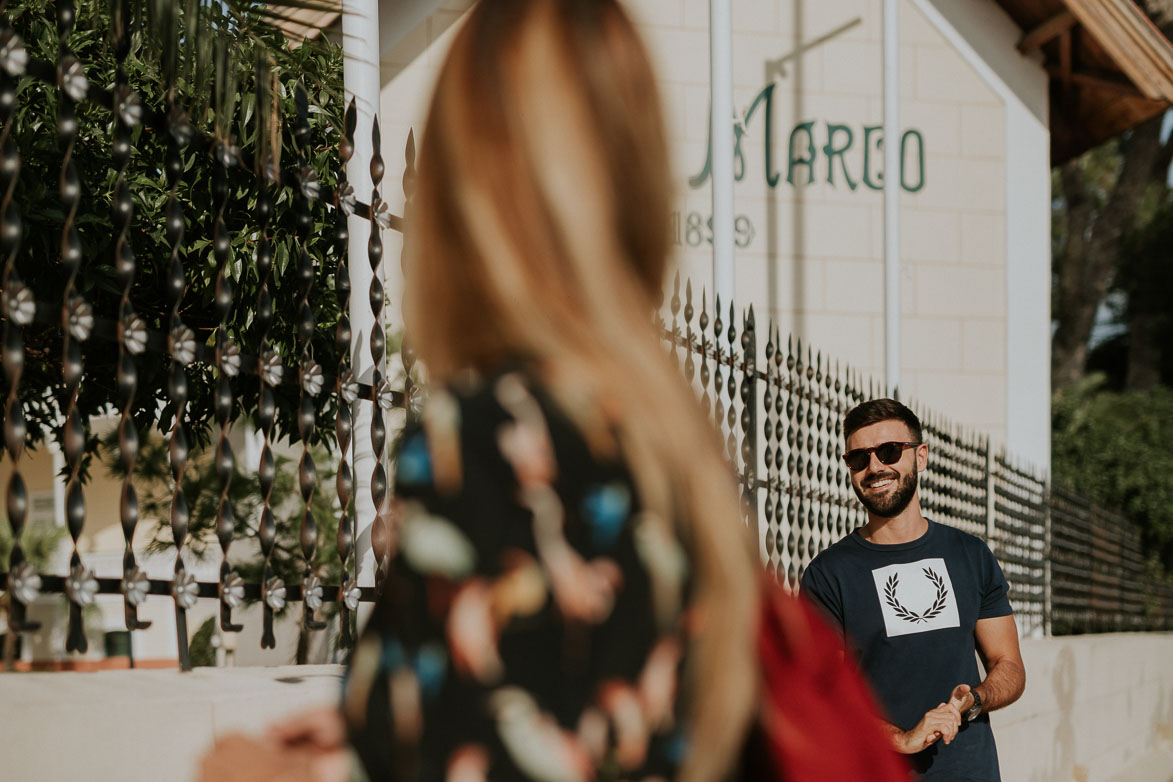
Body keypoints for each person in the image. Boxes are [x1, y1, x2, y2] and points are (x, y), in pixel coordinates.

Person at [202, 1, 758, 780]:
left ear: (470, 184)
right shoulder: (673, 442)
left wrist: (245, 770)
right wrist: (381, 728)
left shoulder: (499, 431)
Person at [800, 398, 1027, 781]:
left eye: (889, 452)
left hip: (971, 771)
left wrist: (972, 701)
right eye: (859, 459)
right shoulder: (829, 574)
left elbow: (1009, 665)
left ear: (920, 457)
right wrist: (903, 740)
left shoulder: (969, 555)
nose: (875, 467)